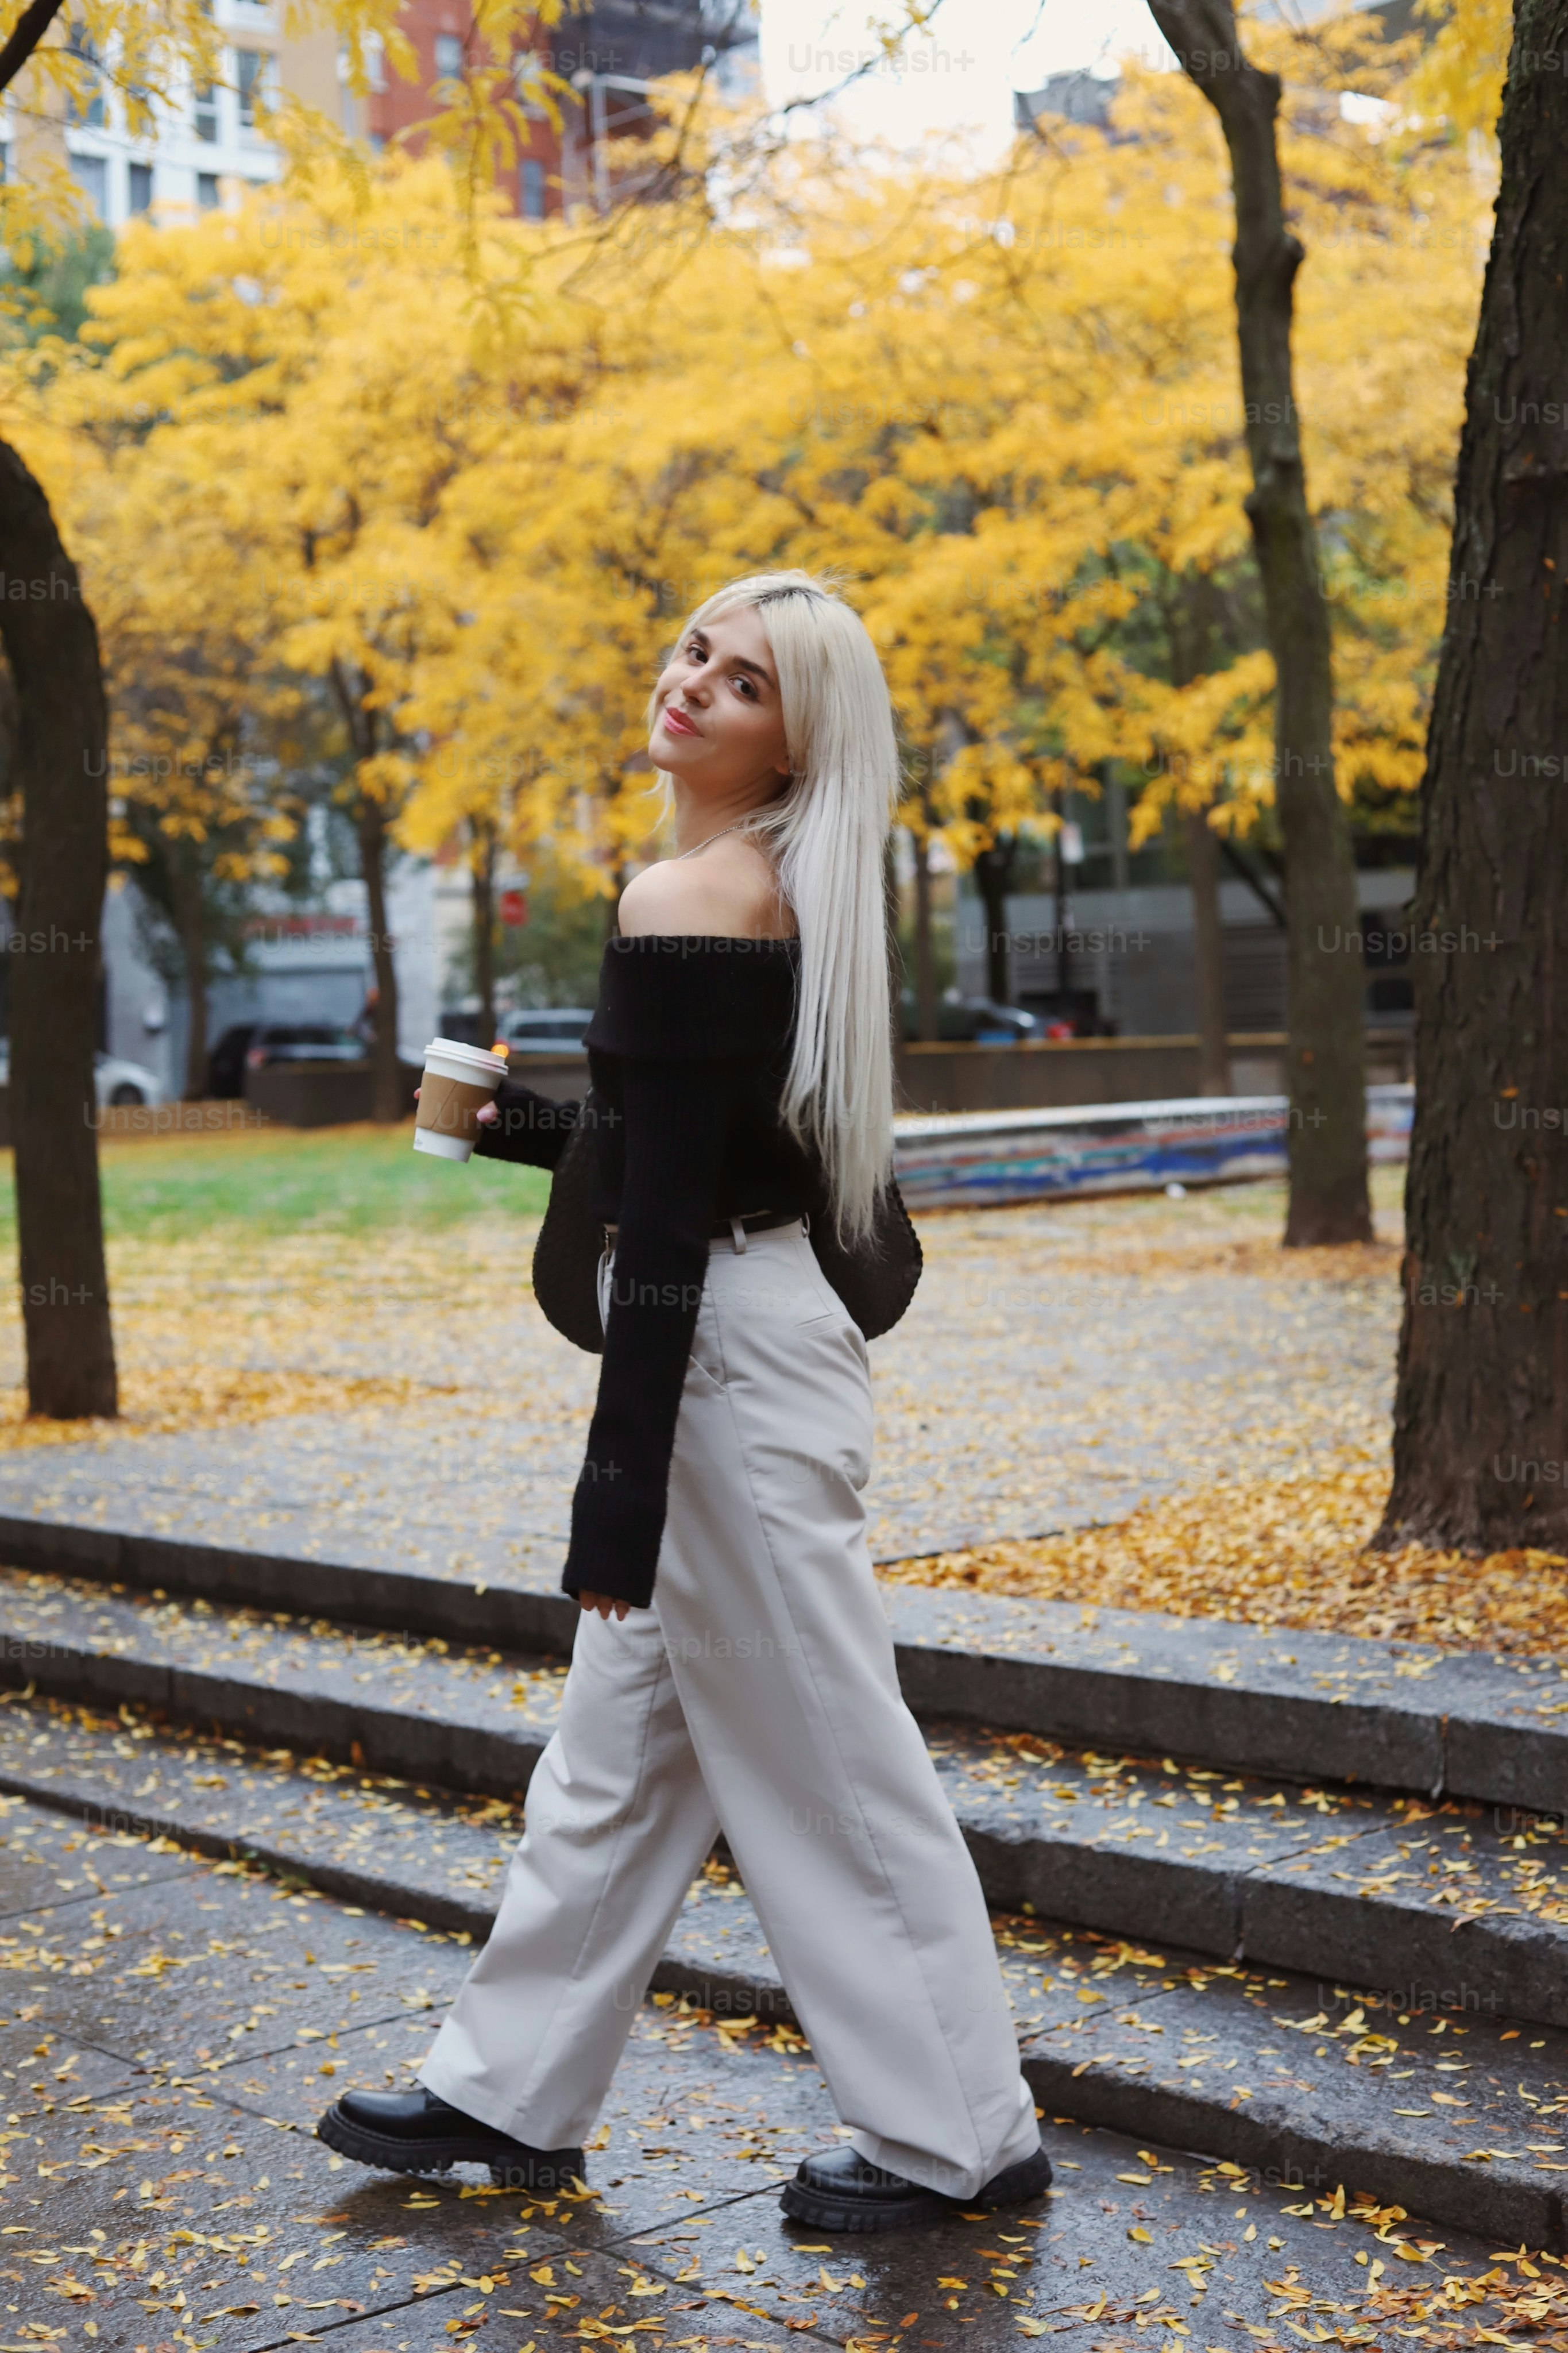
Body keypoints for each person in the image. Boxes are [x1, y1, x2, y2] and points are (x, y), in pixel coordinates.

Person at [318, 570, 1052, 2234]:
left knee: (830, 1764)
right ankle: (506, 2095)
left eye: (738, 685)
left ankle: (964, 2138)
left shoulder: (696, 896)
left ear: (797, 739)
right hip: (751, 1328)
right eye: (692, 654)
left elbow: (659, 1238)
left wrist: (615, 1497)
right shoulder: (790, 887)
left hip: (715, 1357)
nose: (690, 688)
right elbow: (700, 1156)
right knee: (618, 1759)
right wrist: (507, 1126)